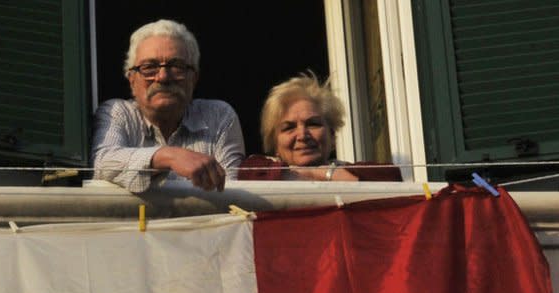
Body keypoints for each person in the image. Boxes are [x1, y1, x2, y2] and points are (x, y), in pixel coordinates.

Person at [92, 19, 245, 193]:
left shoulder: (218, 117)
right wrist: (169, 156)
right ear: (132, 80)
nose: (163, 77)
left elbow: (231, 191)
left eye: (176, 66)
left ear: (193, 78)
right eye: (149, 67)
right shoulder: (116, 112)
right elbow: (101, 163)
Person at [238, 73, 402, 182]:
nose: (302, 135)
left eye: (313, 124)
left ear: (332, 136)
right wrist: (326, 176)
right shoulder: (257, 168)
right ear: (274, 145)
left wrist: (322, 172)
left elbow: (391, 176)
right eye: (289, 128)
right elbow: (246, 173)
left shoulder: (352, 169)